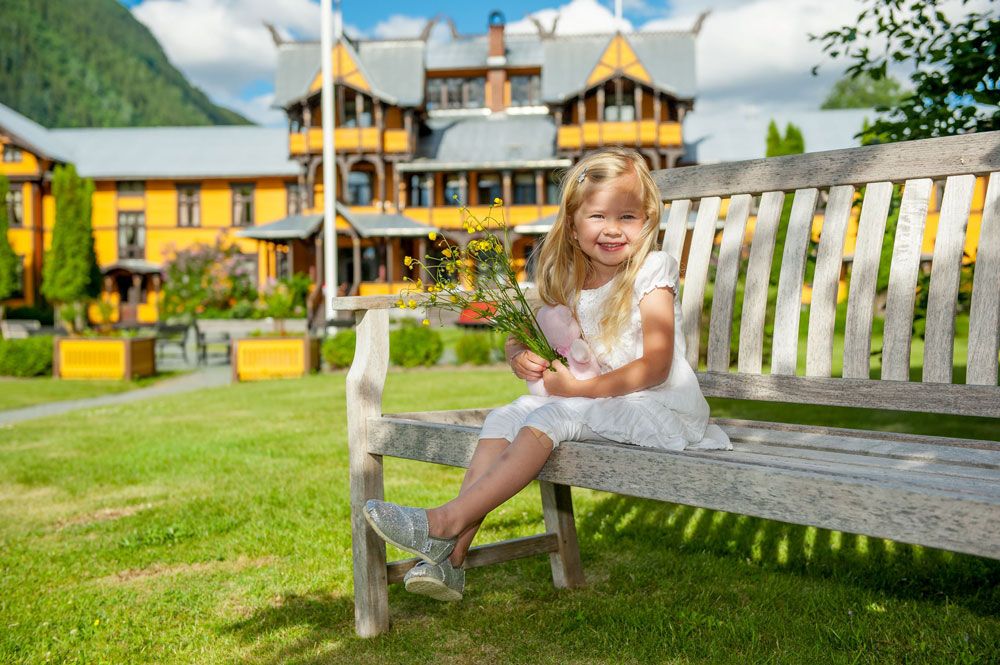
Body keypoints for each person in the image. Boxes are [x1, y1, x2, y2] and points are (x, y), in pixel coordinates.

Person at [363, 147, 731, 602]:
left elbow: (656, 366)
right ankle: (452, 558)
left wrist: (581, 389)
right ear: (573, 227)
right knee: (505, 416)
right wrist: (518, 353)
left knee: (551, 416)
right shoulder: (572, 281)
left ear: (647, 221)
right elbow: (531, 335)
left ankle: (441, 522)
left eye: (628, 216)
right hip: (604, 398)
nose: (613, 228)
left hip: (658, 405)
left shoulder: (651, 271)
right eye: (598, 216)